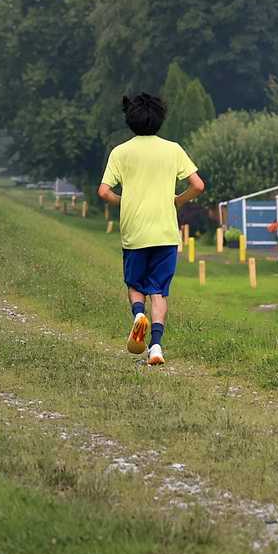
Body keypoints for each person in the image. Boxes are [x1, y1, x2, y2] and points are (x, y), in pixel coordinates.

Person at [96, 93, 206, 367]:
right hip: (166, 232)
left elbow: (103, 192)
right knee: (159, 290)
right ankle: (155, 346)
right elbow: (198, 185)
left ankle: (137, 316)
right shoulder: (173, 149)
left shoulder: (120, 152)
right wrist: (178, 200)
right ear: (159, 119)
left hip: (135, 230)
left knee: (135, 284)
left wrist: (124, 201)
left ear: (130, 120)